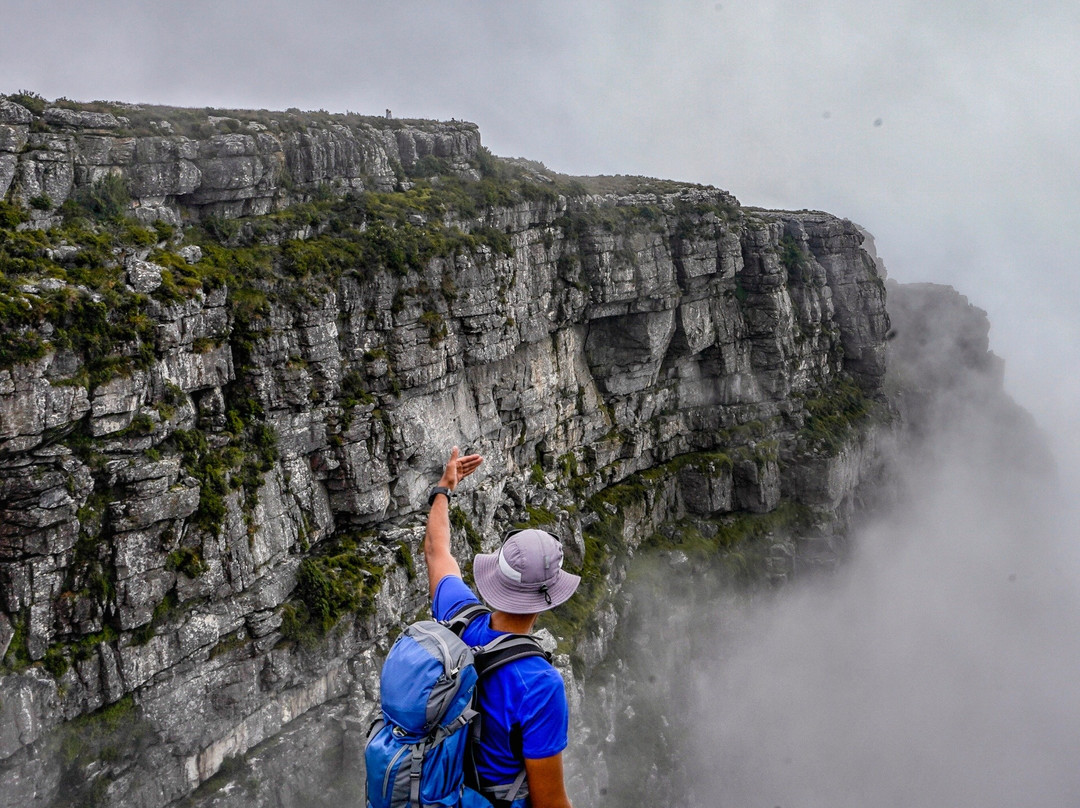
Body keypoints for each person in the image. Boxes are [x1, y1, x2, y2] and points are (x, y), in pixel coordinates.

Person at [424, 447, 579, 808]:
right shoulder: (540, 685)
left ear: (496, 575)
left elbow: (436, 550)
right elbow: (550, 803)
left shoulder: (458, 614)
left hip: (439, 790)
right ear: (548, 599)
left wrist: (444, 488)